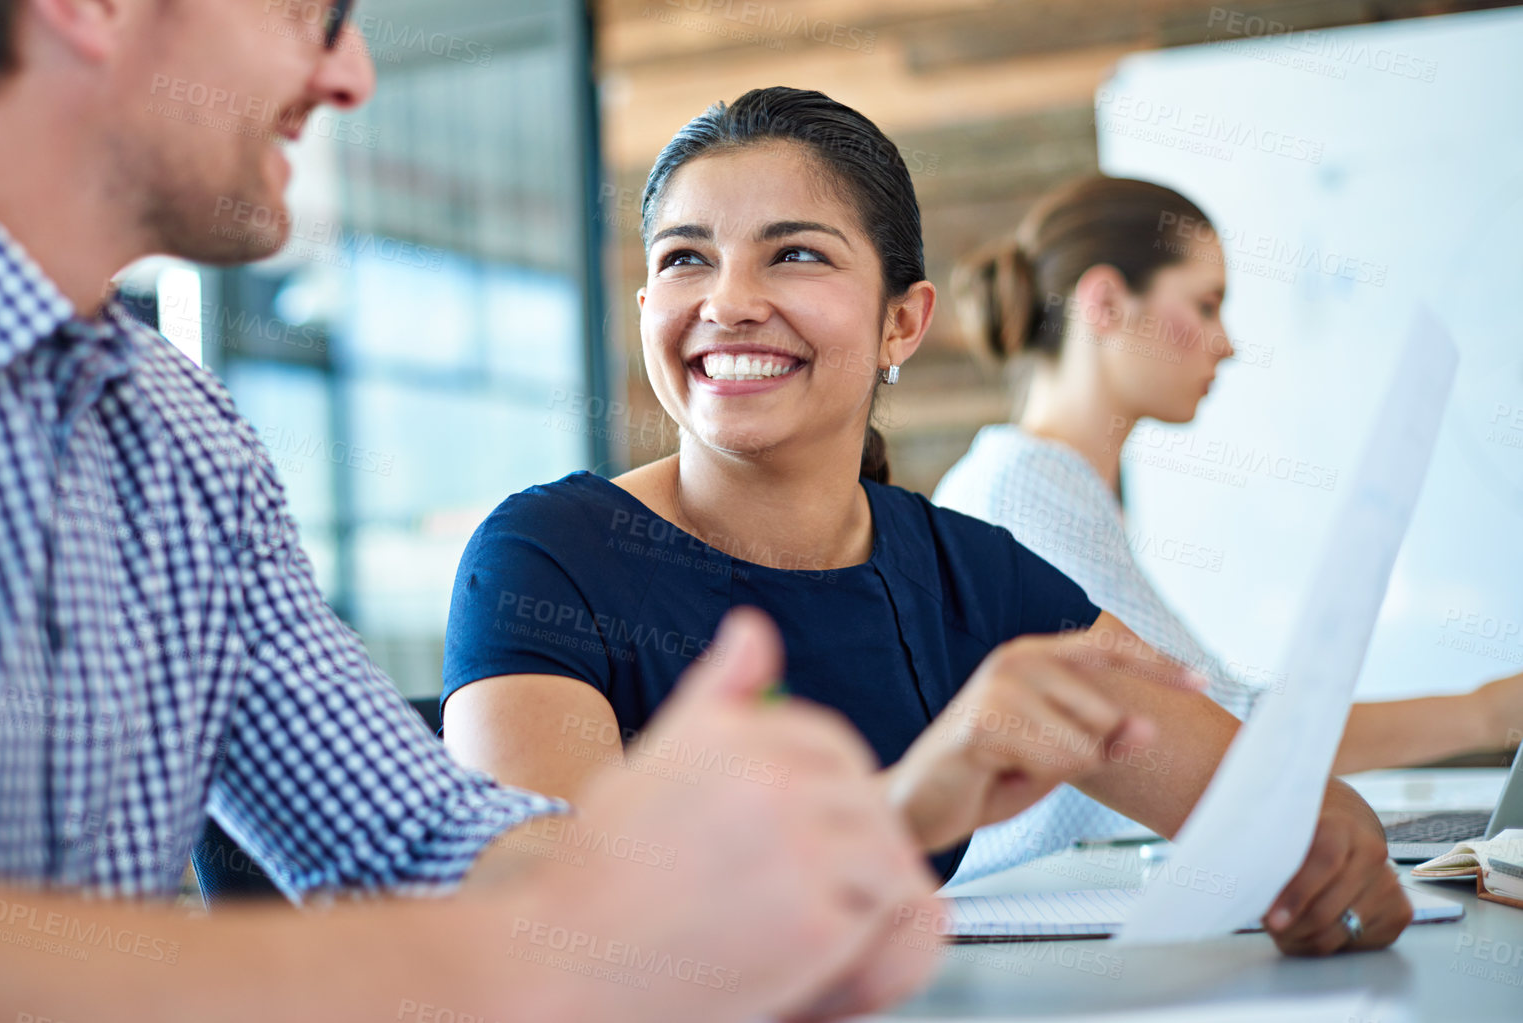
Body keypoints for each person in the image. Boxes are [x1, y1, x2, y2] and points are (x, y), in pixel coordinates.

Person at [0, 0, 953, 1021]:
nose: (351, 73)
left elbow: (410, 833)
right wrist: (525, 951)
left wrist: (687, 900)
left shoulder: (179, 438)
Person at [442, 86, 1412, 958]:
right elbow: (546, 934)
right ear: (651, 305)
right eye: (687, 258)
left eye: (796, 254)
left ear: (902, 323)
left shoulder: (969, 574)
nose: (729, 301)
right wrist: (902, 811)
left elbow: (1265, 805)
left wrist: (1334, 842)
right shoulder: (544, 557)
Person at [934, 174, 1523, 881]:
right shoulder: (1024, 487)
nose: (1226, 343)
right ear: (1103, 302)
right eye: (1205, 304)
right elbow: (1222, 725)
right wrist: (1490, 711)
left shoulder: (1062, 487)